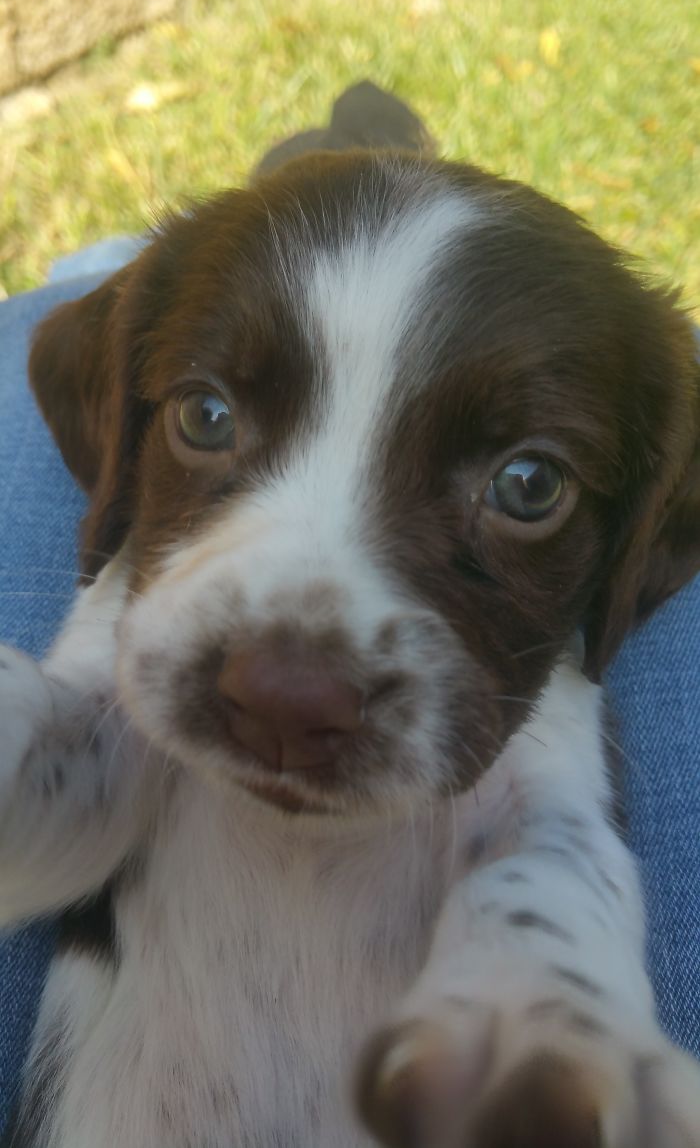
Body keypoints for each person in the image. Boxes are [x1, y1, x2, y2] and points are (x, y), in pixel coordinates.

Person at [1, 230, 698, 1133]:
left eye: (526, 486)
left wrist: (543, 1007)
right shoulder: (145, 601)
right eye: (206, 418)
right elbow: (61, 821)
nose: (290, 686)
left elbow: (552, 850)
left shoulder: (542, 697)